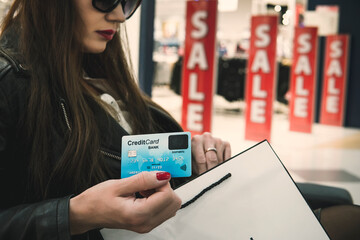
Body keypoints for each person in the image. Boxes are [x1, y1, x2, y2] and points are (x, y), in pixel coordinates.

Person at [0, 0, 231, 239]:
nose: (120, 16)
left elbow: (124, 158)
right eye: (106, 0)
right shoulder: (9, 82)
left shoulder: (96, 74)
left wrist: (187, 156)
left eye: (129, 3)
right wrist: (75, 215)